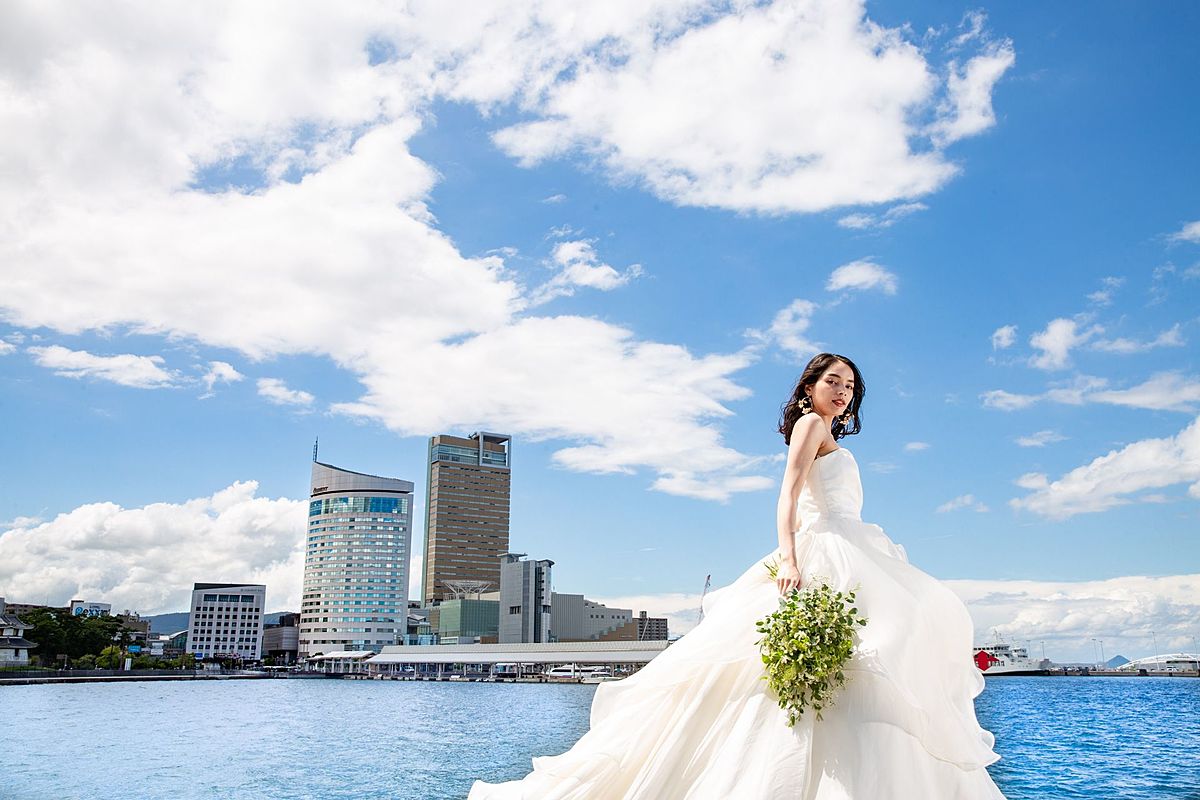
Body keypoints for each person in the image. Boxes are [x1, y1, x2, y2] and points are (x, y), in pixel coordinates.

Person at [469, 353, 1005, 799]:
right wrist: (790, 559)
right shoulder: (811, 425)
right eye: (832, 382)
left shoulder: (830, 432)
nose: (842, 391)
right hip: (822, 549)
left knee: (872, 653)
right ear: (810, 387)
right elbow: (788, 496)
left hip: (853, 546)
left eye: (850, 385)